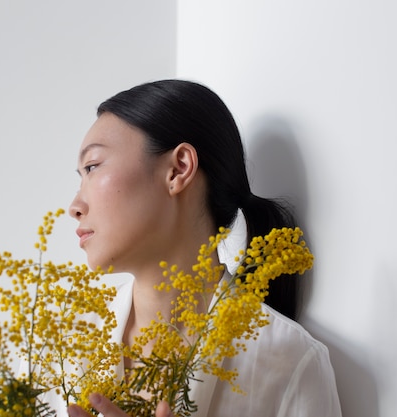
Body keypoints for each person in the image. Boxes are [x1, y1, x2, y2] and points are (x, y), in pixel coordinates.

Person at [62, 80, 342, 417]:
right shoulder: (60, 344)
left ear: (179, 168)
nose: (75, 206)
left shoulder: (289, 361)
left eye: (92, 167)